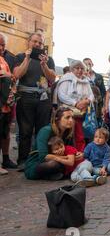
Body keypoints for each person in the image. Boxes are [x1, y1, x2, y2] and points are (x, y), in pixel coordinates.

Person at [14, 32, 56, 169]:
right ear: (29, 41)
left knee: (42, 130)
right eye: (35, 41)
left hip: (43, 99)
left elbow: (52, 78)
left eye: (40, 43)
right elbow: (17, 74)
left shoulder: (48, 59)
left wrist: (44, 65)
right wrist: (27, 58)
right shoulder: (20, 56)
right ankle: (23, 160)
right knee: (25, 131)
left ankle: (39, 158)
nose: (37, 44)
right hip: (26, 97)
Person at [25, 108, 79, 180]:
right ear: (57, 119)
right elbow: (43, 157)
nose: (71, 120)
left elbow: (72, 151)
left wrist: (78, 155)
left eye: (72, 117)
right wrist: (64, 158)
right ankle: (51, 175)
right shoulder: (46, 131)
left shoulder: (68, 132)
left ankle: (53, 175)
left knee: (80, 160)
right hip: (38, 163)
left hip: (60, 160)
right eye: (67, 117)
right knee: (54, 164)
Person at [55, 60, 94, 151]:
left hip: (82, 112)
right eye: (77, 68)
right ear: (72, 69)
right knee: (67, 134)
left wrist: (87, 101)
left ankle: (80, 153)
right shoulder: (66, 79)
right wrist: (75, 103)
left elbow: (91, 95)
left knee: (80, 134)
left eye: (82, 68)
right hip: (67, 112)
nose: (80, 70)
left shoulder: (86, 81)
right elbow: (62, 95)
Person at [0, 33, 17, 173]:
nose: (1, 48)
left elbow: (11, 78)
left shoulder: (4, 60)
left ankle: (5, 158)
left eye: (3, 45)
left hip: (6, 104)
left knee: (5, 133)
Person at [83, 58, 106, 125]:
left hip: (97, 104)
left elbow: (103, 91)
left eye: (89, 64)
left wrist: (103, 106)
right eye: (85, 64)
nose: (88, 66)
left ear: (92, 64)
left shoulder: (98, 76)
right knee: (86, 121)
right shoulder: (81, 76)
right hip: (86, 103)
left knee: (97, 121)